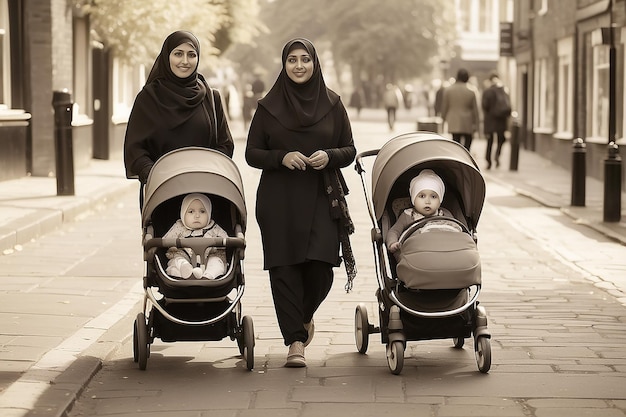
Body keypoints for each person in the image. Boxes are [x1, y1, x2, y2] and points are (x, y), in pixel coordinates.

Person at [245, 38, 357, 368]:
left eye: (305, 59)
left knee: (321, 269)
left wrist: (330, 155)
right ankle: (295, 341)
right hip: (279, 201)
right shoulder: (268, 107)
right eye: (292, 60)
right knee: (285, 269)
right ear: (284, 64)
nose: (298, 65)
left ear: (314, 63)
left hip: (323, 199)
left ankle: (303, 318)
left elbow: (349, 149)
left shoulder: (333, 104)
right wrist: (282, 157)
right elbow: (252, 153)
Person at [124, 31, 234, 201]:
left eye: (191, 55)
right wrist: (154, 175)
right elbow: (135, 148)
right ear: (167, 56)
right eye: (178, 54)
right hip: (162, 194)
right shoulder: (148, 98)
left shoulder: (211, 98)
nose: (185, 61)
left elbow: (225, 145)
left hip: (205, 194)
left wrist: (205, 173)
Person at [386, 169, 461, 260]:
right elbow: (394, 231)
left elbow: (456, 230)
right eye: (422, 196)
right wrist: (392, 243)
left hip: (444, 253)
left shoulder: (445, 214)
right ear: (414, 199)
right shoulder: (408, 215)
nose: (427, 201)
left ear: (440, 201)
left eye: (433, 197)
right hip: (416, 254)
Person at [163, 193, 228, 280]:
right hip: (184, 256)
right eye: (191, 212)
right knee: (175, 263)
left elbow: (227, 240)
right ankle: (186, 269)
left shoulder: (214, 228)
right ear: (183, 214)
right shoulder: (179, 227)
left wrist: (221, 241)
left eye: (202, 211)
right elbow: (165, 240)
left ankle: (208, 276)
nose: (197, 216)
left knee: (217, 263)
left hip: (209, 256)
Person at [441, 68, 479, 151]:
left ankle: (457, 159)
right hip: (467, 122)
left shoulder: (448, 90)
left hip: (453, 120)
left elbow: (444, 107)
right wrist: (476, 125)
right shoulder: (471, 91)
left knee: (455, 143)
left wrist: (443, 121)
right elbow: (475, 110)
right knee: (467, 145)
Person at [482, 72, 512, 169]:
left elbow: (484, 106)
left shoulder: (487, 92)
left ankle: (488, 161)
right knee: (500, 139)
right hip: (501, 120)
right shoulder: (504, 90)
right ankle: (497, 156)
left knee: (490, 141)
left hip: (490, 120)